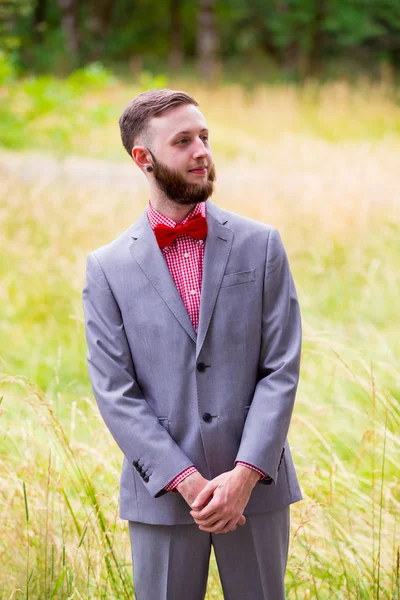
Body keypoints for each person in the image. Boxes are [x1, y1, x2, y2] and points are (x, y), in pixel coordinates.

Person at [82, 88, 302, 600]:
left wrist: (245, 474)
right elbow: (115, 391)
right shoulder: (108, 268)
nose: (202, 151)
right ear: (144, 159)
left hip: (257, 492)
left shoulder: (261, 244)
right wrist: (185, 480)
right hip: (162, 495)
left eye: (204, 136)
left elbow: (281, 368)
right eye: (183, 141)